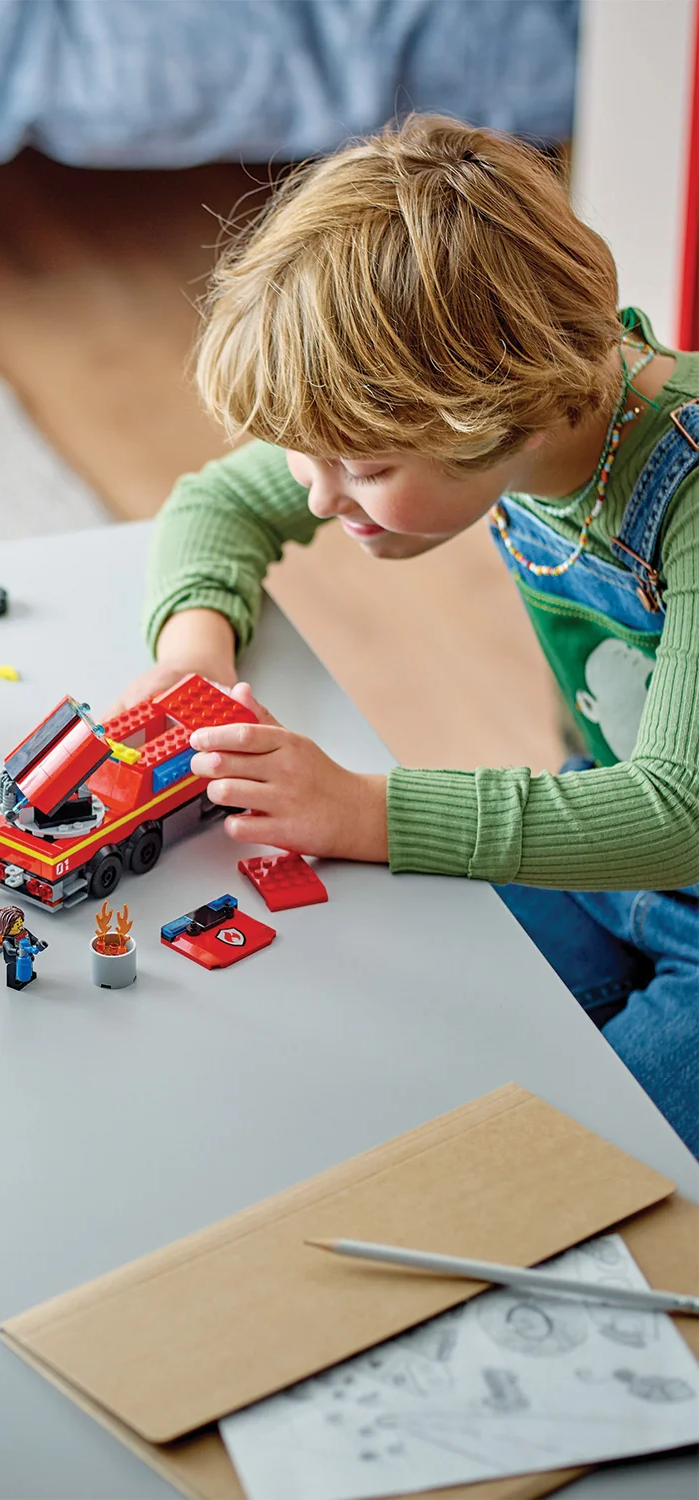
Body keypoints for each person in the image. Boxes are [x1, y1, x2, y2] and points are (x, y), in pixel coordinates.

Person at [117, 114, 698, 1154]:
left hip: (663, 838)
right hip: (613, 862)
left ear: (508, 413)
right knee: (391, 1063)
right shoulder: (532, 411)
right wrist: (189, 659)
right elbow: (218, 505)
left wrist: (360, 808)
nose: (320, 492)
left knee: (559, 1171)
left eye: (367, 469)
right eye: (304, 453)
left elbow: (678, 811)